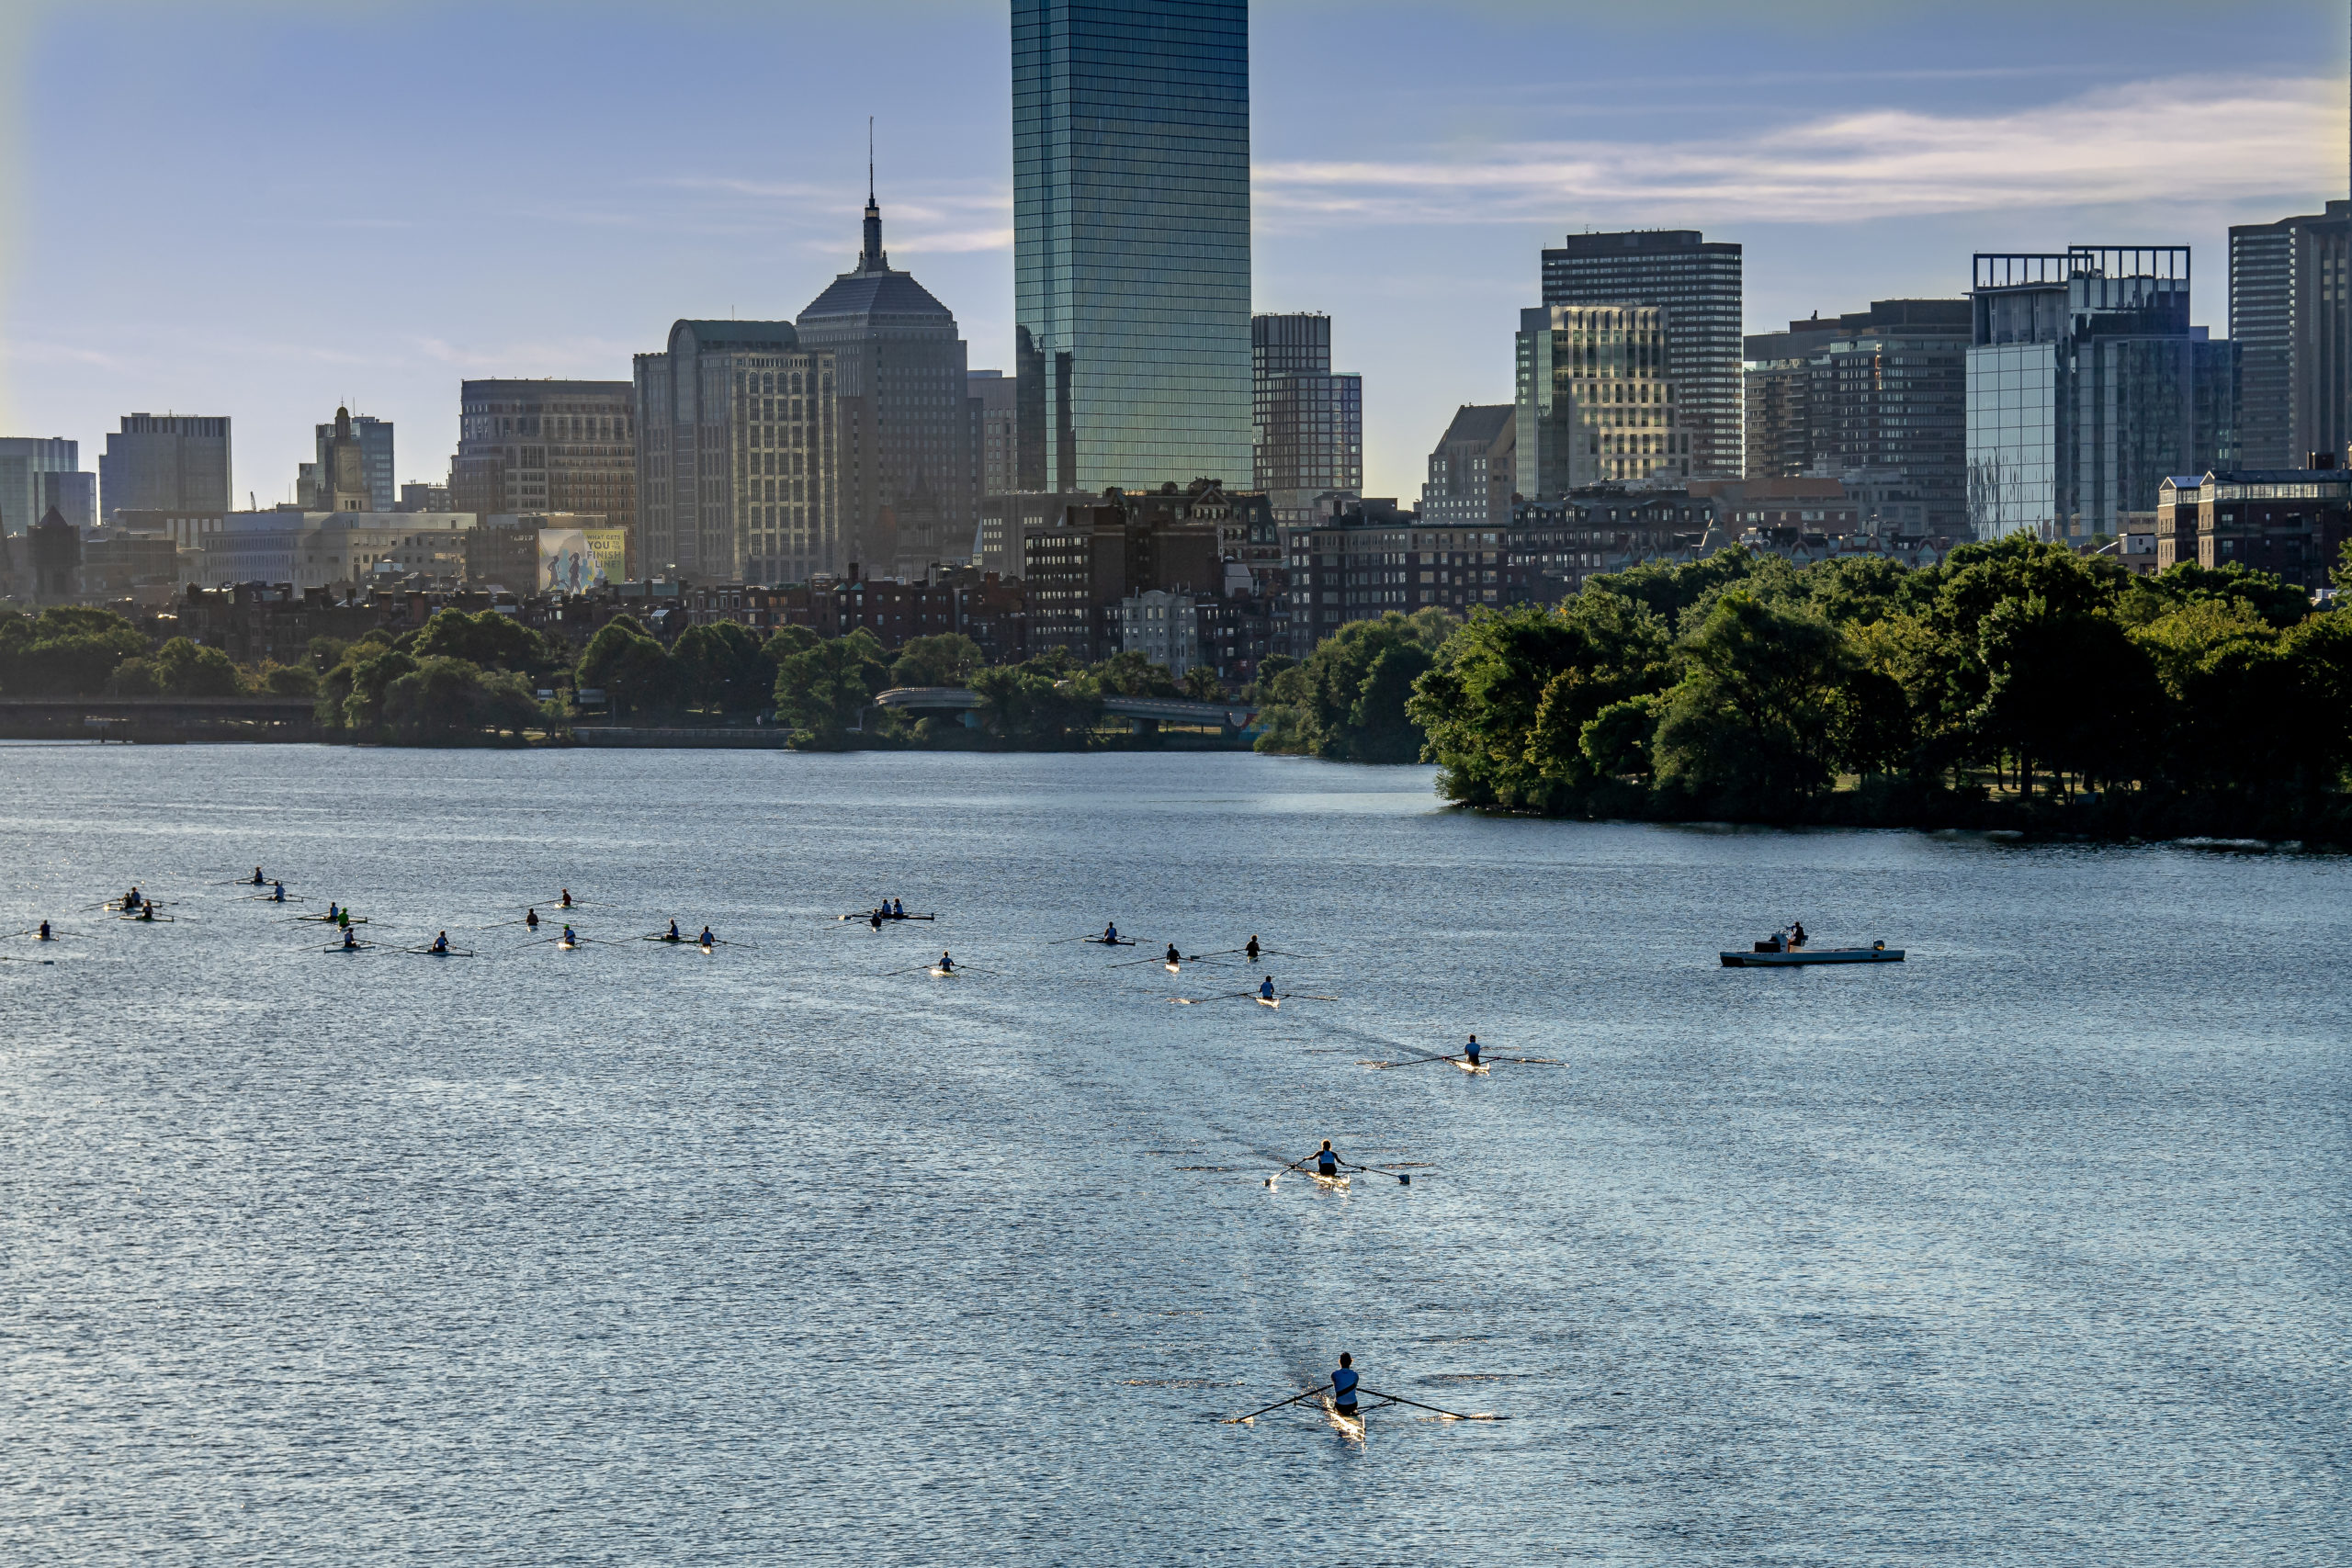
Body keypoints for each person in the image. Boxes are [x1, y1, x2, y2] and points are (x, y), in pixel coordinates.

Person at [1330, 1353, 1360, 1419]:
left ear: (1340, 1362)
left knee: (1336, 1398)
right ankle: (1353, 1411)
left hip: (1340, 1406)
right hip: (1352, 1406)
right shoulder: (1355, 1375)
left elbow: (1335, 1384)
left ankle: (1336, 1409)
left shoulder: (1334, 1374)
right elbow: (1355, 1386)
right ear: (1350, 1362)